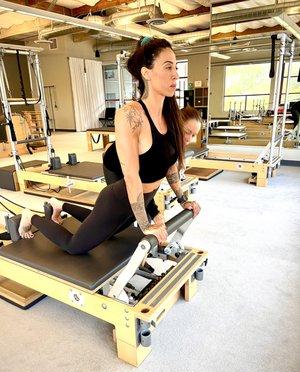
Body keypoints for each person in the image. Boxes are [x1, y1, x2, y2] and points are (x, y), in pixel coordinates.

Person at [18, 37, 200, 255]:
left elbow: (169, 164)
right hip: (120, 198)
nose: (175, 74)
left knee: (106, 230)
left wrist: (183, 200)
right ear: (147, 73)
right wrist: (146, 224)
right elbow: (132, 176)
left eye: (176, 68)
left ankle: (60, 206)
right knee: (75, 246)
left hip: (142, 198)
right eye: (168, 67)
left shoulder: (170, 116)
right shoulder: (131, 115)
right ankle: (31, 216)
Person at [103, 104, 201, 227]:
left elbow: (170, 169)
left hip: (135, 170)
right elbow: (141, 185)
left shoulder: (173, 144)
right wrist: (155, 213)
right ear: (176, 124)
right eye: (187, 132)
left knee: (143, 215)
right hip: (114, 167)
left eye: (193, 135)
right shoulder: (160, 145)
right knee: (124, 215)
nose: (189, 139)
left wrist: (183, 201)